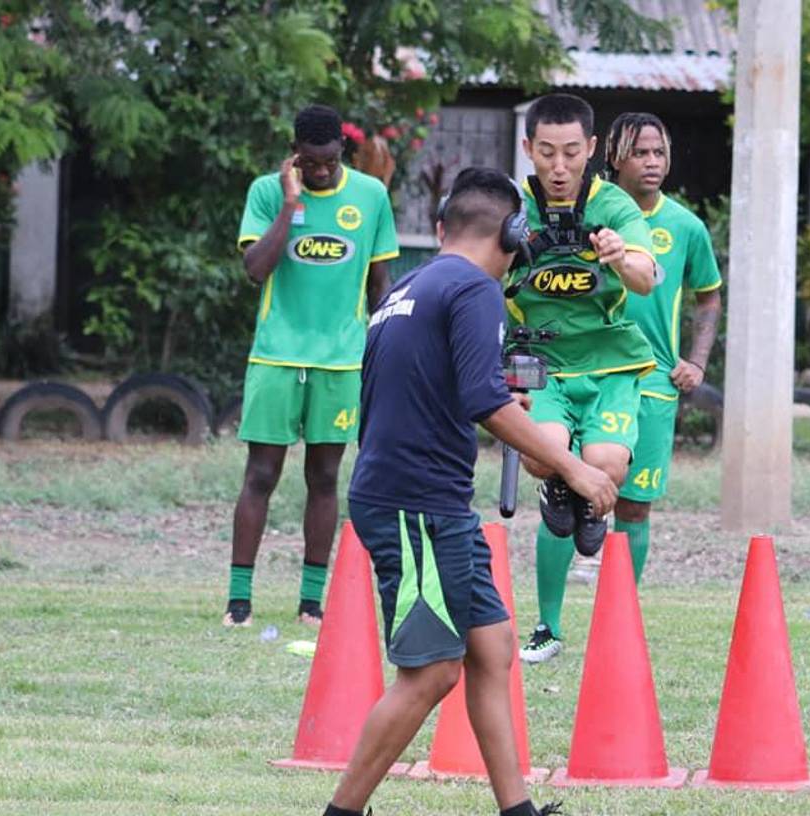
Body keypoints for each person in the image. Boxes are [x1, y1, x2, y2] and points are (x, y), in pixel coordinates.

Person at [323, 167, 613, 816]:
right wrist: (573, 467)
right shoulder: (475, 289)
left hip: (418, 497)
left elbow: (437, 387)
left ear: (442, 227)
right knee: (431, 672)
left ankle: (518, 810)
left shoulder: (409, 287)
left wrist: (494, 398)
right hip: (417, 503)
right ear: (511, 234)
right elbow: (486, 402)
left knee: (491, 645)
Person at [224, 104, 399, 627]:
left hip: (341, 363)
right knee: (260, 475)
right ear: (294, 154)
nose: (321, 171)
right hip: (276, 356)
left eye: (329, 161)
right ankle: (238, 602)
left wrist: (385, 351)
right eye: (310, 162)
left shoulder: (371, 196)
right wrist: (290, 204)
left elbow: (380, 284)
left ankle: (310, 603)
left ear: (342, 150)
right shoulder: (266, 192)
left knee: (324, 478)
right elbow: (256, 269)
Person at [512, 93, 658, 665]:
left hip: (609, 363)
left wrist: (620, 256)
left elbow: (645, 277)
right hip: (538, 360)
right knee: (544, 455)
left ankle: (577, 498)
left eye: (571, 152)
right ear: (528, 148)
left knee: (606, 467)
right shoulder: (512, 205)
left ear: (592, 149)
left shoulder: (614, 204)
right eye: (546, 152)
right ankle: (546, 626)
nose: (559, 166)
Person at [606, 112, 723, 576]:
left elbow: (709, 297)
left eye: (659, 153)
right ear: (615, 157)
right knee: (571, 498)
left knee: (634, 507)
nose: (652, 162)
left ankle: (623, 611)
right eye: (640, 153)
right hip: (588, 374)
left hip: (654, 383)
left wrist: (696, 361)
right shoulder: (590, 214)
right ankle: (548, 614)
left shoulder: (686, 227)